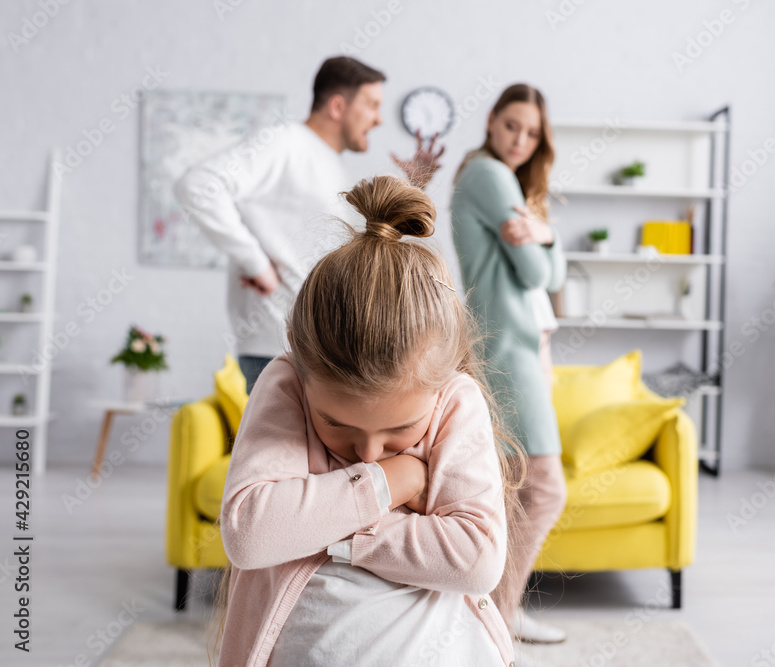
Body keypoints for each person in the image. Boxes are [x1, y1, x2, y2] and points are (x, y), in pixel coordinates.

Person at [212, 176, 522, 667]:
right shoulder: (287, 383)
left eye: (399, 432)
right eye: (337, 425)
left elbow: (476, 558)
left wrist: (323, 531)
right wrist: (390, 482)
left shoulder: (454, 400)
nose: (368, 453)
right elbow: (250, 533)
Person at [173, 56, 445, 393]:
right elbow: (199, 185)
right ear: (336, 106)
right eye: (372, 105)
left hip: (316, 345)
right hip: (278, 348)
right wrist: (254, 262)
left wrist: (413, 184)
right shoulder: (285, 142)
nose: (378, 119)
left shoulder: (328, 162)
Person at [450, 83, 568, 644]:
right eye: (512, 125)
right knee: (543, 485)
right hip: (507, 348)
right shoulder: (489, 176)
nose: (520, 139)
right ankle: (501, 613)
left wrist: (544, 234)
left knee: (512, 486)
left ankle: (490, 612)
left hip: (519, 346)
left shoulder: (505, 181)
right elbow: (539, 275)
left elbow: (555, 269)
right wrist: (546, 244)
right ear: (492, 120)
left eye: (532, 132)